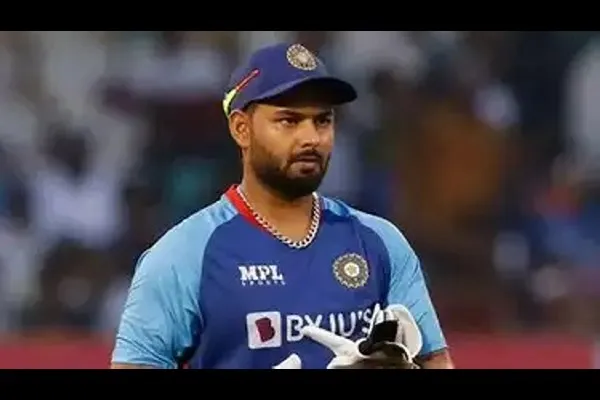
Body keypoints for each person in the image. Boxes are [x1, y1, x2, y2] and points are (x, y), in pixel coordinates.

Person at [110, 42, 454, 369]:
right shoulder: (183, 255)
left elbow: (436, 361)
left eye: (323, 120)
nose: (311, 138)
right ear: (241, 129)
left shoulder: (380, 242)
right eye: (289, 120)